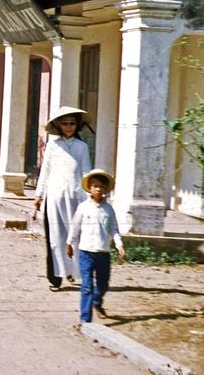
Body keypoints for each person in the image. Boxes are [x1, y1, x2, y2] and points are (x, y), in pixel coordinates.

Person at [33, 106, 93, 291]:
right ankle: (55, 278)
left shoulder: (81, 147)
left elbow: (86, 171)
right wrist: (39, 195)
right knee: (54, 238)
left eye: (72, 123)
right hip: (54, 198)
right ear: (59, 125)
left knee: (74, 236)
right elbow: (45, 171)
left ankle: (73, 272)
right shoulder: (53, 145)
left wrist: (90, 195)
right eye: (65, 123)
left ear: (78, 125)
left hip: (76, 197)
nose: (68, 127)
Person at [67, 169, 125, 326]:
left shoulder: (109, 209)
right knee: (86, 285)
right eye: (95, 186)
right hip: (86, 252)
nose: (98, 189)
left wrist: (119, 245)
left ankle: (97, 301)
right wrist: (69, 243)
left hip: (103, 253)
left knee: (103, 284)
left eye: (101, 186)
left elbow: (114, 229)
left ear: (106, 189)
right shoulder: (83, 207)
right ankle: (85, 319)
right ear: (90, 188)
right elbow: (75, 226)